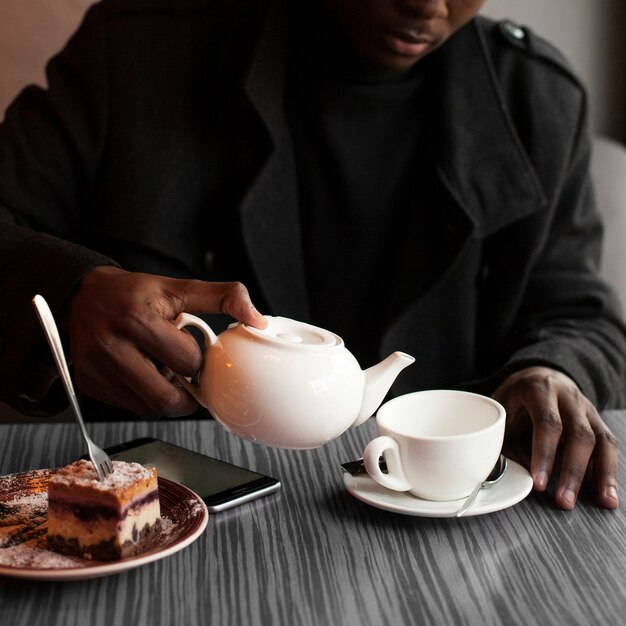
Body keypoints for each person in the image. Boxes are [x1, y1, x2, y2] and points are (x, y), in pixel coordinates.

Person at [0, 0, 624, 511]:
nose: (428, 6)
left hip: (442, 527)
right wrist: (73, 289)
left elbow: (579, 311)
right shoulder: (139, 53)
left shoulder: (537, 102)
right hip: (162, 514)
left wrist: (553, 370)